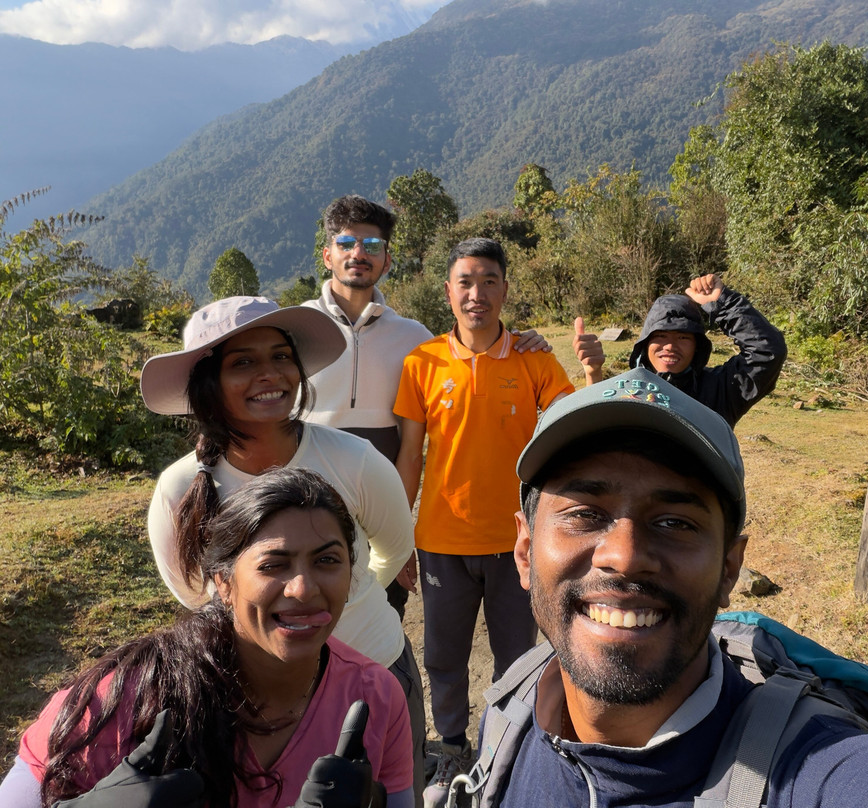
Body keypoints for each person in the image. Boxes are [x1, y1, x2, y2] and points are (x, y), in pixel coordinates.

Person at [455, 367, 868, 807]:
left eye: (674, 522)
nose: (624, 556)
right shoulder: (513, 708)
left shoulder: (816, 771)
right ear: (524, 550)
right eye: (585, 514)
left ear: (731, 567)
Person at [139, 295, 427, 803]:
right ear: (209, 384)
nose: (269, 374)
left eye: (280, 356)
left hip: (376, 666)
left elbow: (394, 547)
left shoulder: (353, 460)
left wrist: (332, 604)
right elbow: (195, 593)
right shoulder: (180, 487)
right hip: (252, 694)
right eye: (243, 362)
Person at [0, 467, 413, 808]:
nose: (303, 589)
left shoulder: (377, 698)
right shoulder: (129, 695)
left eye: (327, 560)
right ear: (224, 583)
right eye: (273, 565)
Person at [303, 195, 550, 619]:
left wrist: (528, 342)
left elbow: (468, 347)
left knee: (381, 619)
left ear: (387, 259)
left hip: (378, 499)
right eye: (346, 243)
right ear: (327, 254)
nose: (358, 254)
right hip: (307, 500)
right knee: (307, 604)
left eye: (372, 246)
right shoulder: (297, 328)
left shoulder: (413, 338)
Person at [392, 237, 575, 808]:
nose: (477, 294)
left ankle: (510, 742)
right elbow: (410, 457)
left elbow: (573, 420)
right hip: (441, 541)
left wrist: (590, 363)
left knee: (517, 655)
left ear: (504, 289)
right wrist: (400, 539)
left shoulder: (533, 359)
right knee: (442, 656)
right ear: (448, 292)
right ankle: (448, 749)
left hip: (516, 541)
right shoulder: (422, 363)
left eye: (489, 281)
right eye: (465, 282)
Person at [573, 273, 786, 427]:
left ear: (697, 347)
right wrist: (593, 373)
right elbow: (595, 434)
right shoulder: (626, 390)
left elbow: (767, 351)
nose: (670, 346)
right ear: (645, 343)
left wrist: (721, 303)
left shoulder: (721, 389)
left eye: (683, 337)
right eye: (661, 336)